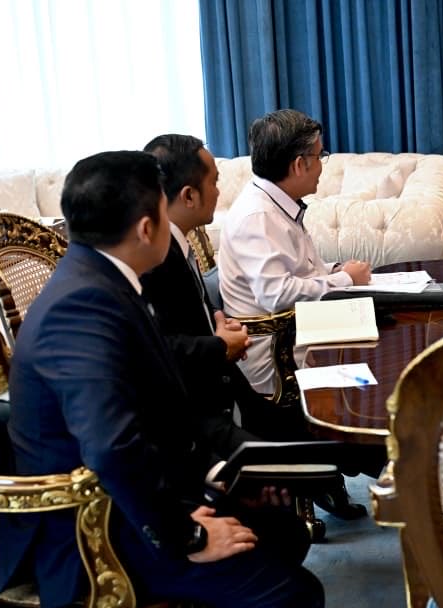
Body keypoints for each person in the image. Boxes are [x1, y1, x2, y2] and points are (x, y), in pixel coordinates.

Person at [0, 151, 324, 608]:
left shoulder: (104, 278)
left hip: (130, 497)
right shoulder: (82, 306)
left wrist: (213, 482)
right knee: (293, 600)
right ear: (148, 227)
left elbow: (150, 416)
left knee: (282, 532)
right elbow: (111, 447)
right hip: (87, 529)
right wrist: (190, 532)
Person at [141, 134, 371, 522]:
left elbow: (192, 314)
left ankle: (353, 469)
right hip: (244, 376)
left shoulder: (177, 242)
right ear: (188, 195)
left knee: (371, 370)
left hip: (236, 364)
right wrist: (217, 342)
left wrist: (215, 321)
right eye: (213, 181)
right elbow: (159, 346)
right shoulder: (160, 255)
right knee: (366, 405)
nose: (220, 190)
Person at [218, 109, 371, 395]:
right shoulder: (258, 216)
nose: (323, 165)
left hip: (304, 332)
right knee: (377, 372)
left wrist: (335, 269)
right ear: (300, 164)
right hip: (281, 357)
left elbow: (299, 268)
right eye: (320, 156)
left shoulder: (276, 203)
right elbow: (276, 294)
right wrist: (346, 280)